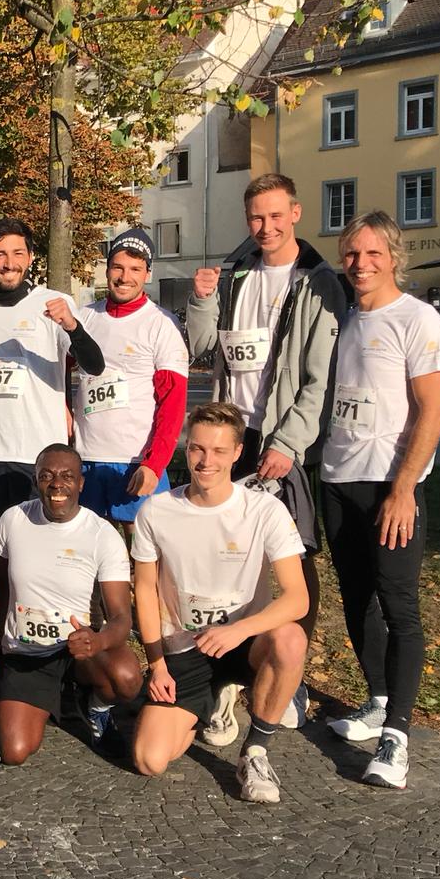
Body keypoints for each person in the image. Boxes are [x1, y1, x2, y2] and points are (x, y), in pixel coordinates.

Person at [185, 173, 346, 737]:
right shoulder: (237, 275)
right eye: (257, 218)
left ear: (296, 214)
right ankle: (231, 674)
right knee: (231, 554)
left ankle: (289, 670)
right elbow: (203, 348)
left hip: (282, 439)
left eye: (276, 217)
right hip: (233, 433)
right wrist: (202, 299)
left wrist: (288, 443)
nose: (266, 227)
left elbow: (320, 380)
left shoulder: (319, 281)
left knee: (294, 555)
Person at [320, 211, 440, 791]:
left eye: (372, 254)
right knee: (355, 599)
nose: (361, 264)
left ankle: (396, 736)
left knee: (399, 606)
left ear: (393, 256)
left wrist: (404, 488)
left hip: (390, 483)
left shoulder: (417, 319)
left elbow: (434, 410)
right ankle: (376, 700)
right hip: (339, 479)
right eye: (351, 254)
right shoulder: (347, 319)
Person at [129, 402, 310, 804]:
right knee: (149, 759)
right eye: (197, 449)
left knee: (290, 639)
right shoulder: (157, 511)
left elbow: (297, 599)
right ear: (186, 448)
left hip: (245, 642)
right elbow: (145, 589)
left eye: (218, 451)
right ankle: (211, 701)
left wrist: (238, 630)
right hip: (186, 647)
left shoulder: (265, 510)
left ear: (238, 452)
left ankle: (256, 751)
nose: (206, 461)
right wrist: (156, 664)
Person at [0, 444, 141, 764]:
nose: (56, 484)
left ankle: (96, 709)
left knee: (127, 677)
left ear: (80, 483)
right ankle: (50, 699)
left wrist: (97, 640)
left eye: (66, 476)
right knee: (14, 752)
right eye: (46, 476)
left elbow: (120, 617)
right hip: (27, 654)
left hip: (79, 650)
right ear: (36, 480)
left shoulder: (101, 535)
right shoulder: (14, 518)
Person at [0, 218, 105, 582]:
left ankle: (40, 626)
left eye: (17, 253)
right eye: (0, 254)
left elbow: (95, 366)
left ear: (31, 256)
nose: (9, 263)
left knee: (38, 551)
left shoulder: (55, 304)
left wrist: (72, 325)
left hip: (39, 453)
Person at [73, 228, 188, 527]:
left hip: (136, 459)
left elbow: (173, 402)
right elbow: (57, 370)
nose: (125, 277)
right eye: (118, 267)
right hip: (86, 458)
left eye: (136, 269)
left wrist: (154, 463)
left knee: (147, 558)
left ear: (148, 273)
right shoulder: (84, 317)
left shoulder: (161, 324)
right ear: (108, 268)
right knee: (92, 556)